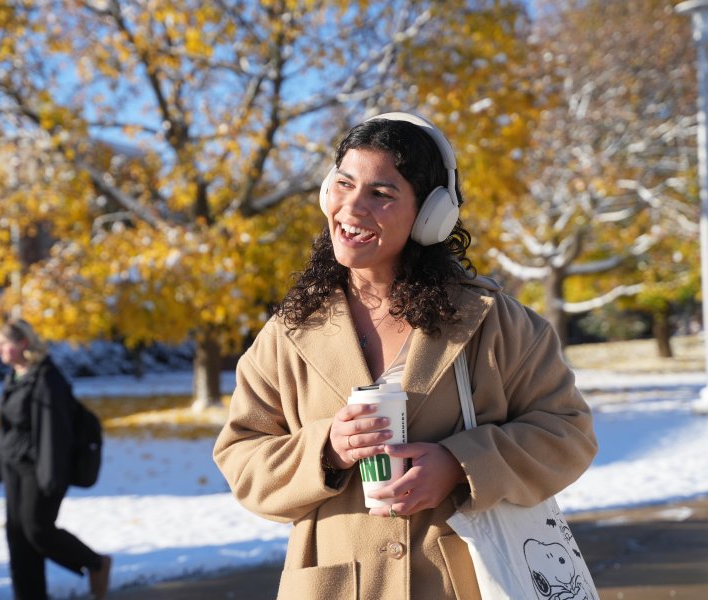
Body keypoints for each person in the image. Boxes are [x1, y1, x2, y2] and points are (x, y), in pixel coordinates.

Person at [212, 111, 598, 600]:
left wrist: (461, 465)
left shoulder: (495, 322)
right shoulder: (287, 334)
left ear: (431, 214)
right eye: (344, 184)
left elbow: (568, 433)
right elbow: (241, 457)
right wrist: (325, 449)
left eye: (381, 194)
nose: (352, 209)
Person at [0, 319, 111, 600]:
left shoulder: (47, 378)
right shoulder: (15, 377)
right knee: (18, 539)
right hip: (13, 467)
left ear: (22, 343)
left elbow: (55, 433)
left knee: (37, 529)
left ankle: (96, 563)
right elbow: (5, 428)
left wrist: (52, 478)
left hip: (39, 468)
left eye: (3, 343)